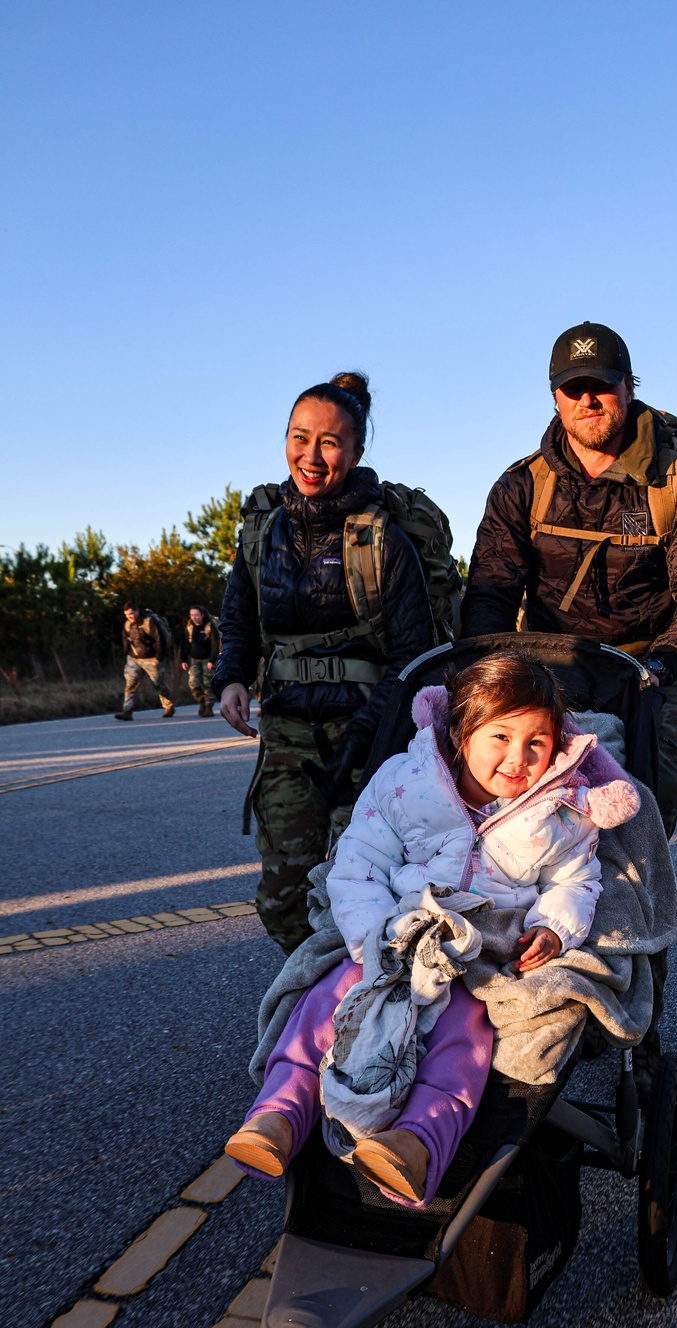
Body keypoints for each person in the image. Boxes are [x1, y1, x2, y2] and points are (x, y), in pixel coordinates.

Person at [225, 651, 640, 1204]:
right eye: (500, 737)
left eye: (536, 743)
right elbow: (360, 861)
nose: (518, 758)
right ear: (461, 734)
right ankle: (278, 1114)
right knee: (326, 1002)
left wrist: (554, 929)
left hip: (481, 949)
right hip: (395, 930)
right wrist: (373, 938)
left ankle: (416, 1142)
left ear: (556, 745)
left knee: (466, 1037)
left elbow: (576, 880)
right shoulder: (406, 781)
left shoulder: (563, 811)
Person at [461, 321, 677, 839]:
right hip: (547, 670)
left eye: (602, 385)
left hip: (644, 668)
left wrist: (657, 668)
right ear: (555, 397)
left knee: (648, 808)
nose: (588, 399)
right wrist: (494, 674)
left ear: (629, 388)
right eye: (573, 388)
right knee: (523, 821)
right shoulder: (521, 485)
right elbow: (491, 591)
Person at [213, 373, 437, 953]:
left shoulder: (383, 541)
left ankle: (359, 1004)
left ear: (356, 453)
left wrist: (367, 735)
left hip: (366, 739)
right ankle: (319, 992)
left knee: (358, 898)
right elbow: (240, 617)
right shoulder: (261, 532)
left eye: (330, 443)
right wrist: (231, 677)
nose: (311, 457)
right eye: (300, 438)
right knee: (283, 903)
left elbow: (415, 655)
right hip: (287, 737)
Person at [114, 603, 174, 720]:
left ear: (137, 611)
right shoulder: (128, 624)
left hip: (151, 658)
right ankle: (127, 710)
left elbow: (160, 638)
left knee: (158, 684)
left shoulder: (149, 622)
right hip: (134, 658)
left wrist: (158, 657)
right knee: (130, 685)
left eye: (131, 614)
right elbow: (125, 638)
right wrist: (127, 652)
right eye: (127, 615)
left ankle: (169, 706)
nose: (129, 617)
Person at [180, 605, 220, 716]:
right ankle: (201, 700)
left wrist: (212, 660)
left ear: (202, 615)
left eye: (196, 615)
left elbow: (215, 644)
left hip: (208, 660)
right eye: (192, 615)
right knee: (193, 683)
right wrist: (183, 659)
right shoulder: (189, 628)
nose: (194, 618)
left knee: (208, 683)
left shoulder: (209, 627)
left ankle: (208, 706)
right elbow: (185, 644)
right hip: (195, 660)